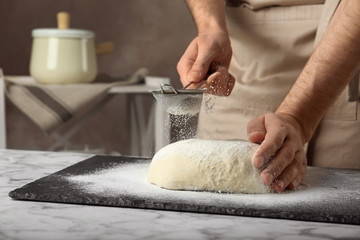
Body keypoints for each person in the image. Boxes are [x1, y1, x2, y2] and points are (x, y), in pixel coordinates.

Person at [177, 0, 360, 192]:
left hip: (347, 48)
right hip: (245, 52)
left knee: (334, 201)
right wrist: (210, 26)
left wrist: (297, 118)